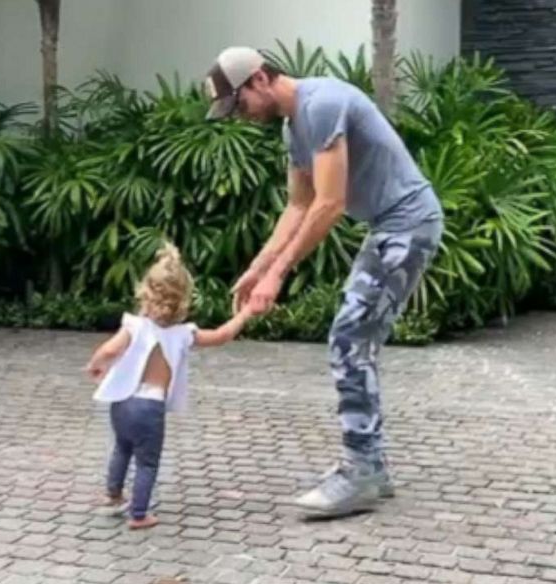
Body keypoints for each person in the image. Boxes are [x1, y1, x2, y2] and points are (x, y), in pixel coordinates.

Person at [204, 47, 444, 516]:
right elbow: (297, 206)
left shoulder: (323, 103)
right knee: (355, 341)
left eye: (238, 105)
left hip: (408, 225)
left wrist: (278, 274)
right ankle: (371, 466)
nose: (240, 117)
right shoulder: (296, 127)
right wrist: (259, 265)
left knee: (349, 340)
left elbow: (329, 204)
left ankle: (362, 470)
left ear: (258, 79)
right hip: (389, 228)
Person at [86, 242, 254, 529]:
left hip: (123, 402)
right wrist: (246, 313)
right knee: (147, 462)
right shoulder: (184, 334)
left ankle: (113, 494)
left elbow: (109, 350)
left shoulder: (133, 326)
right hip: (150, 407)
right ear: (184, 300)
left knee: (122, 448)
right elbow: (222, 335)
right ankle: (139, 514)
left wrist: (96, 365)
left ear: (146, 292)